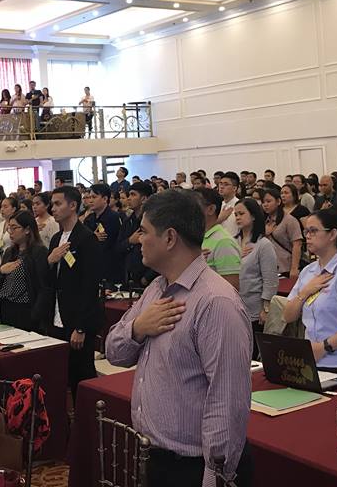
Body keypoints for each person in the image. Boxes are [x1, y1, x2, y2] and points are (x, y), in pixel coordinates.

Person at [105, 189, 253, 487]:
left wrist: (214, 478)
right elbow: (114, 352)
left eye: (144, 231)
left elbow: (227, 402)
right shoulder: (156, 289)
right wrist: (138, 328)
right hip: (152, 455)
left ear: (170, 238)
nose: (138, 239)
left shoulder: (216, 302)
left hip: (190, 467)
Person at [283, 210, 337, 377]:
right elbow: (288, 316)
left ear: (333, 234)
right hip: (310, 360)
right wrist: (305, 292)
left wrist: (324, 347)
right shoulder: (308, 271)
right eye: (306, 231)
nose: (308, 236)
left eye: (313, 231)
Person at [46, 186, 102, 399]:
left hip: (77, 319)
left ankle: (86, 417)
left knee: (82, 375)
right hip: (56, 315)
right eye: (52, 204)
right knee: (60, 375)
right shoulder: (55, 239)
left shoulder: (86, 238)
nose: (53, 208)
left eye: (58, 204)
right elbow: (49, 281)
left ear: (73, 206)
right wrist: (50, 261)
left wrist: (81, 327)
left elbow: (90, 286)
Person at [235, 198, 278, 359]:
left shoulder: (263, 244)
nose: (238, 217)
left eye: (241, 214)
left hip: (254, 308)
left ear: (253, 216)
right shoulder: (232, 242)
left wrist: (265, 308)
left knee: (252, 355)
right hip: (234, 305)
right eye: (235, 214)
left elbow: (270, 279)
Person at [0, 211, 50, 331]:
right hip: (6, 307)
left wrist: (35, 315)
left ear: (27, 230)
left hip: (26, 310)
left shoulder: (39, 252)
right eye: (9, 228)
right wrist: (1, 271)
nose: (10, 232)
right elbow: (0, 284)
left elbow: (44, 287)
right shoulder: (9, 252)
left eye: (14, 228)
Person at [197, 187, 241, 288]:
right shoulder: (195, 237)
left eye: (194, 205)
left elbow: (231, 287)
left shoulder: (224, 242)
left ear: (211, 209)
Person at [84, 183, 123, 284]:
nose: (90, 200)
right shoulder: (89, 219)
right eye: (89, 197)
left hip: (110, 267)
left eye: (94, 197)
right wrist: (93, 237)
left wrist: (91, 239)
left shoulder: (113, 217)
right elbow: (84, 240)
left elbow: (107, 242)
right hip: (92, 265)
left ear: (105, 199)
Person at [262, 187, 303, 280]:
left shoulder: (289, 220)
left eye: (268, 201)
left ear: (278, 202)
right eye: (263, 202)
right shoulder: (264, 221)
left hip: (285, 267)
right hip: (268, 268)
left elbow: (297, 244)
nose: (265, 205)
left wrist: (294, 268)